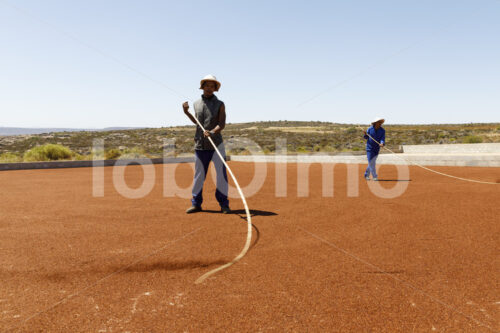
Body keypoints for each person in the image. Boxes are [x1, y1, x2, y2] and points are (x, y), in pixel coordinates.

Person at [182, 75, 230, 214]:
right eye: (206, 85)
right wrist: (186, 112)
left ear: (215, 89)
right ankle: (196, 203)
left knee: (221, 175)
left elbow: (221, 124)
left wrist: (213, 132)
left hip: (216, 146)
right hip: (200, 146)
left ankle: (224, 204)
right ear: (202, 87)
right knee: (199, 176)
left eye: (212, 86)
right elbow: (196, 122)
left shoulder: (220, 104)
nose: (209, 88)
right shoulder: (196, 103)